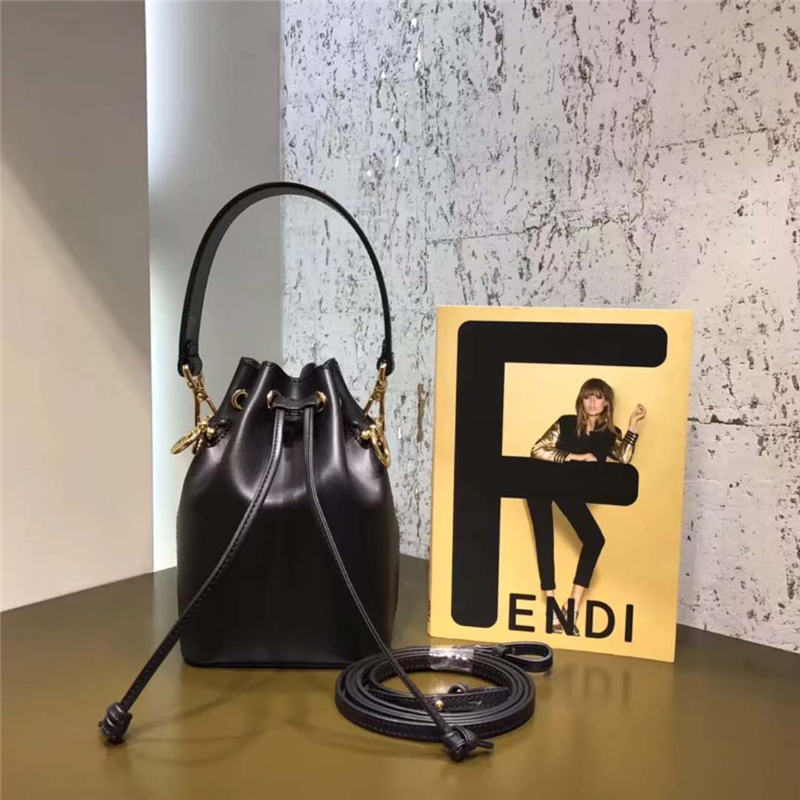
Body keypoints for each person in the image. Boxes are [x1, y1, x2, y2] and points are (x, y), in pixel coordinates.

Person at [527, 378, 646, 635]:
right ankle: (551, 606)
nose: (592, 402)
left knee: (594, 540)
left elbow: (624, 457)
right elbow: (537, 449)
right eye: (587, 397)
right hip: (542, 483)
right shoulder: (566, 423)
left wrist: (632, 426)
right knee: (544, 536)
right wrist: (575, 457)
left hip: (569, 491)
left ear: (606, 403)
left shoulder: (609, 434)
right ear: (581, 401)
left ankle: (572, 607)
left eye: (598, 397)